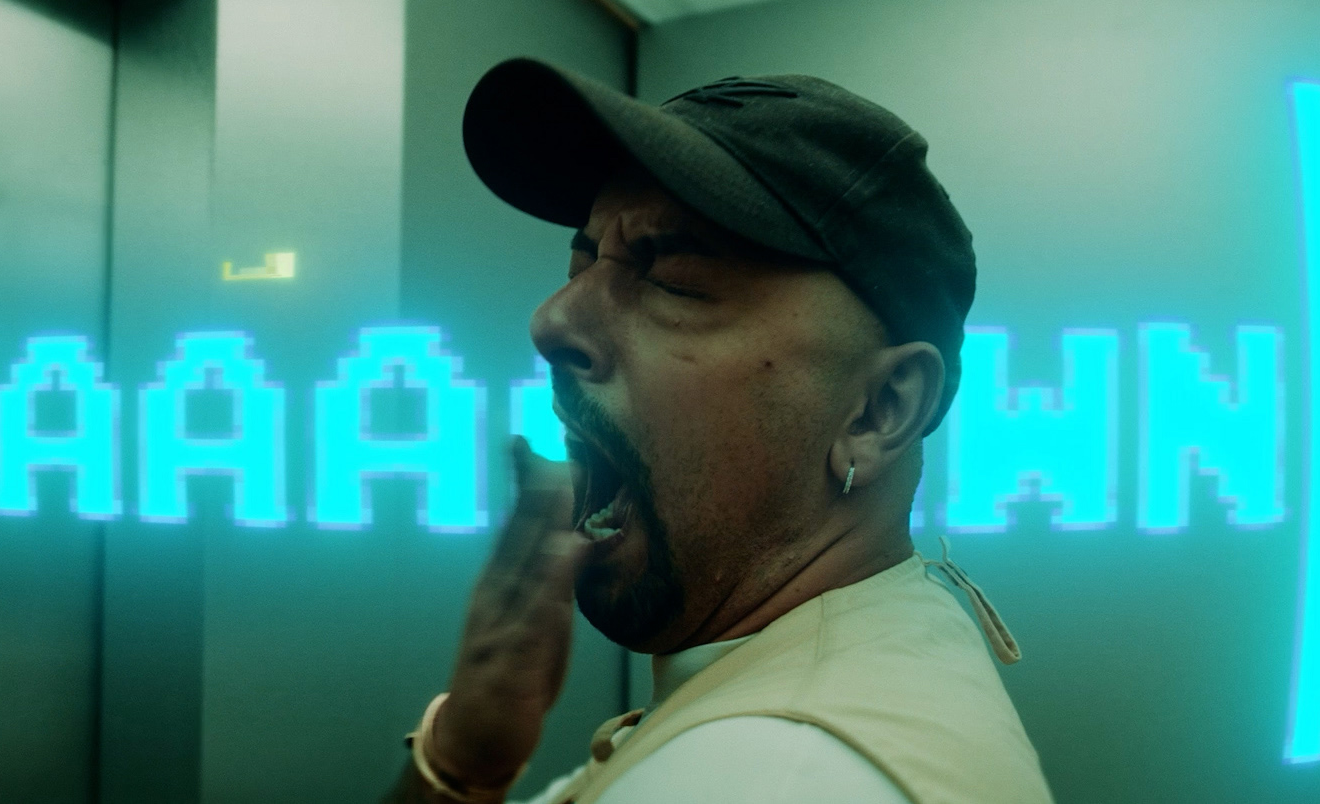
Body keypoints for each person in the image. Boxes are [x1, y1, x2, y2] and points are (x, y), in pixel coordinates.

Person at [385, 58, 1052, 804]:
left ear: (877, 411)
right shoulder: (850, 664)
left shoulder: (774, 775)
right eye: (583, 264)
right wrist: (461, 765)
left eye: (670, 277)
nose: (552, 320)